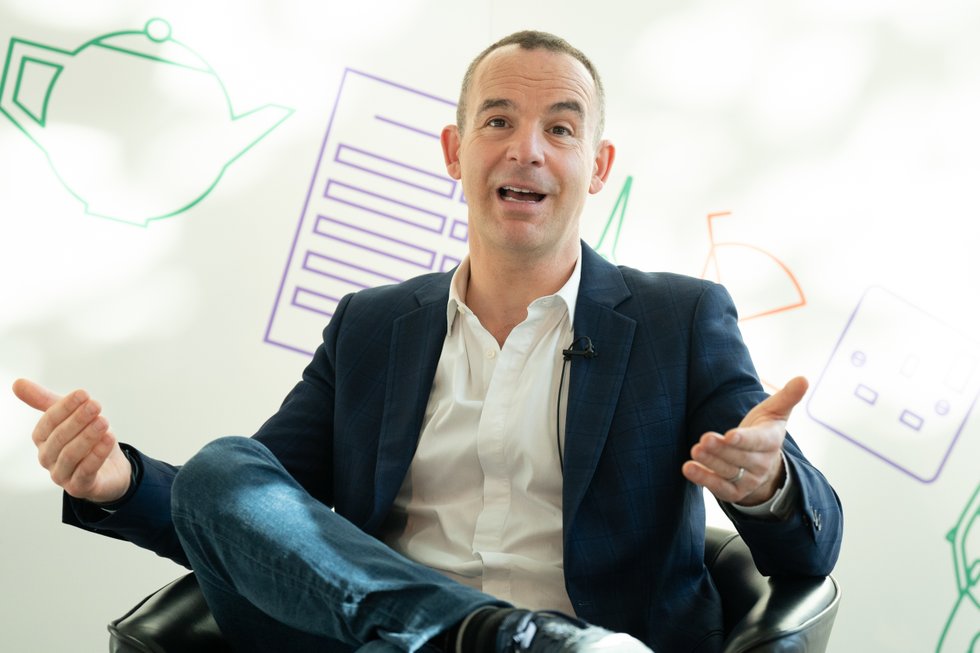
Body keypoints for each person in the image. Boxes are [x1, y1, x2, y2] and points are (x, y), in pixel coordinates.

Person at [12, 30, 843, 653]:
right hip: (382, 641)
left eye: (560, 129)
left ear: (598, 165)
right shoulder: (372, 326)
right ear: (455, 151)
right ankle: (505, 638)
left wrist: (767, 485)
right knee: (223, 468)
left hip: (605, 630)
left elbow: (811, 548)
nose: (526, 149)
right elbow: (239, 513)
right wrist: (119, 482)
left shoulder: (680, 319)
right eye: (498, 120)